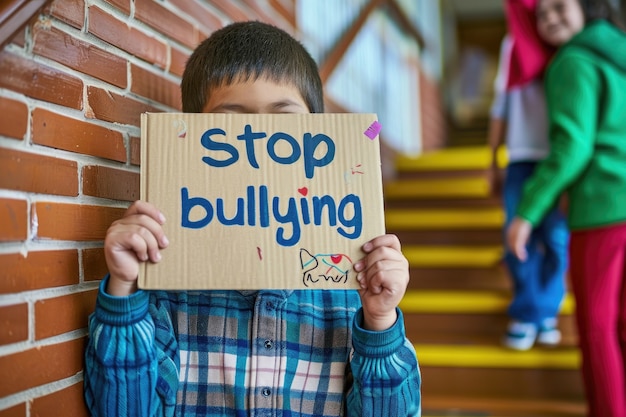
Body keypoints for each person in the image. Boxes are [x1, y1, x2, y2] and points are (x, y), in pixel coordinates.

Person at [83, 21, 421, 417]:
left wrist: (379, 321)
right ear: (195, 137)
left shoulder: (352, 293)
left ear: (318, 135)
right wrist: (123, 286)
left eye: (283, 122)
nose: (258, 141)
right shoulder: (166, 284)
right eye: (232, 122)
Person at [506, 0, 626, 415]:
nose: (550, 18)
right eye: (542, 13)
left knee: (596, 328)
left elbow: (572, 146)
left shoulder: (572, 60)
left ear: (587, 10)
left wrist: (527, 212)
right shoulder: (617, 52)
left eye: (560, 7)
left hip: (602, 210)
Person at [487, 0, 569, 351]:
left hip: (559, 159)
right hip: (520, 156)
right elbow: (501, 104)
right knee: (517, 238)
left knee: (556, 238)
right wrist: (493, 159)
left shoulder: (568, 48)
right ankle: (527, 312)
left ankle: (545, 310)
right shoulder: (512, 45)